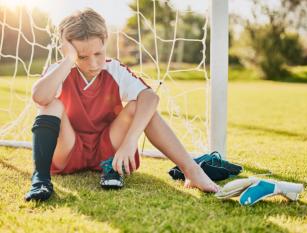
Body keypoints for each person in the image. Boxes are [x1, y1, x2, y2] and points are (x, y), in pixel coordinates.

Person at [25, 8, 220, 201]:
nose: (93, 63)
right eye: (82, 57)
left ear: (106, 41)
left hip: (110, 153)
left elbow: (150, 97)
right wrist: (69, 60)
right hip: (68, 151)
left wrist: (130, 141)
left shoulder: (114, 70)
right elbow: (40, 97)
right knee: (51, 104)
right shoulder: (60, 70)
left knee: (140, 106)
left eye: (98, 54)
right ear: (68, 50)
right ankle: (40, 179)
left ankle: (191, 170)